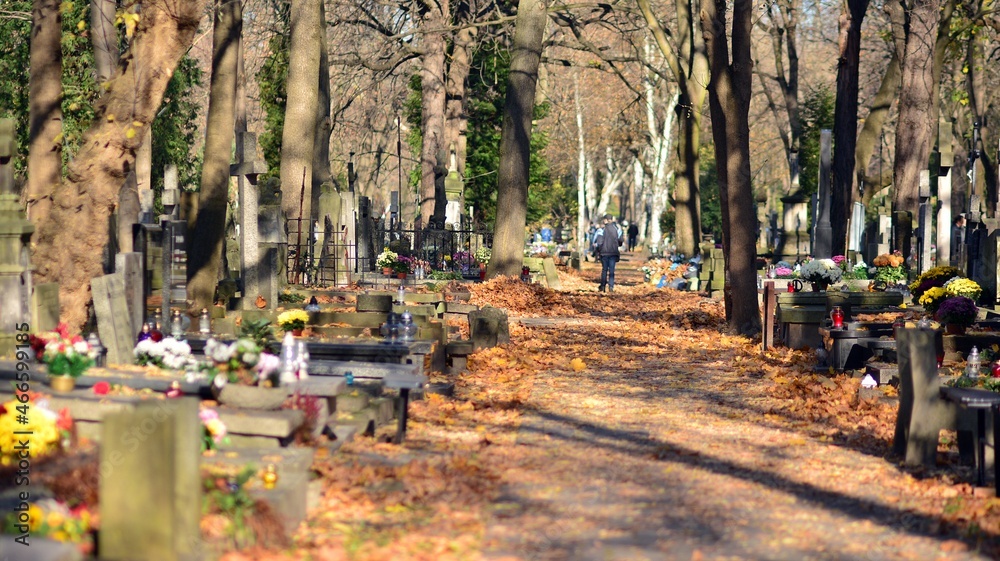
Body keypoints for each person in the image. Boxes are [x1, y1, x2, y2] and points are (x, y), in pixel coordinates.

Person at [593, 214, 624, 292]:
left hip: (604, 253)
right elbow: (620, 241)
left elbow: (599, 242)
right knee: (612, 270)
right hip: (613, 253)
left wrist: (598, 250)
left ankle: (603, 286)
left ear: (606, 220)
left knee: (604, 270)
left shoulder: (601, 230)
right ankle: (611, 286)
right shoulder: (617, 229)